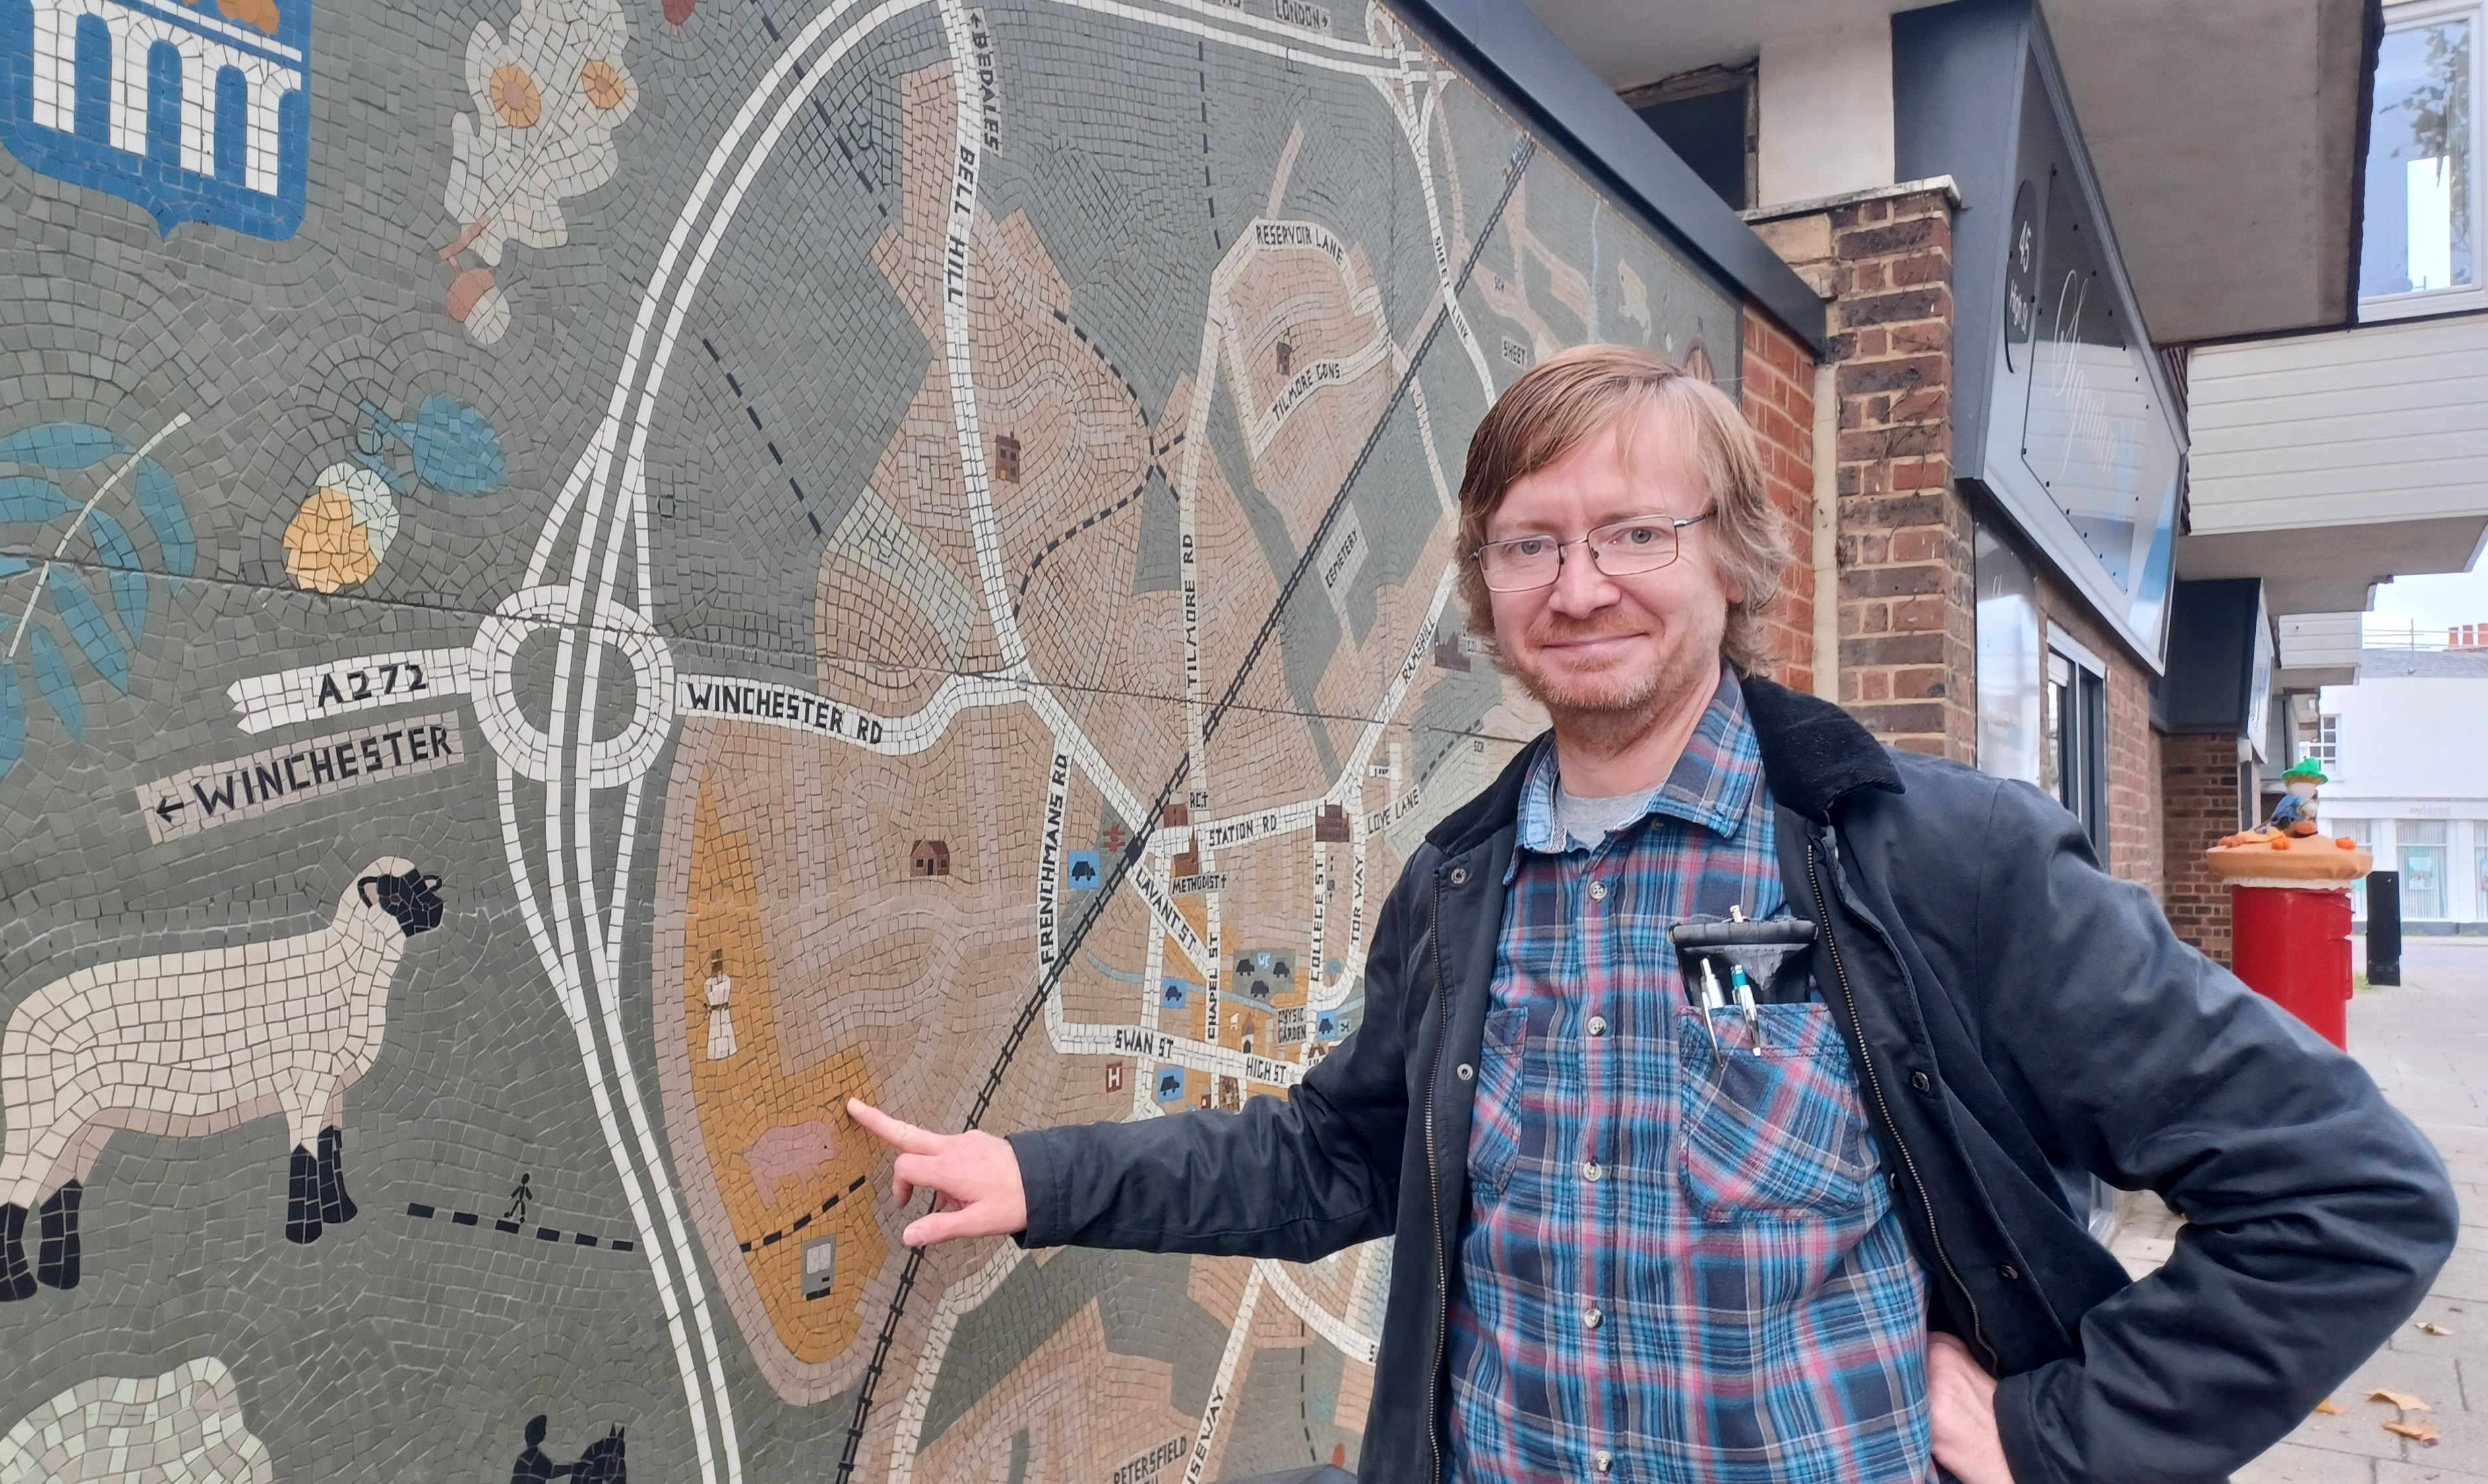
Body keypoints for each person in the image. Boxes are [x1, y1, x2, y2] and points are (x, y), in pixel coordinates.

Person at [848, 344, 2455, 1484]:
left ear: (1732, 560)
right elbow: (1333, 1155)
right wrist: (1030, 1173)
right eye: (1528, 545)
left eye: (1632, 533)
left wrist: (2051, 1441)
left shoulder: (1930, 863)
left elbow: (2348, 1196)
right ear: (1486, 591)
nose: (1579, 583)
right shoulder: (1459, 887)